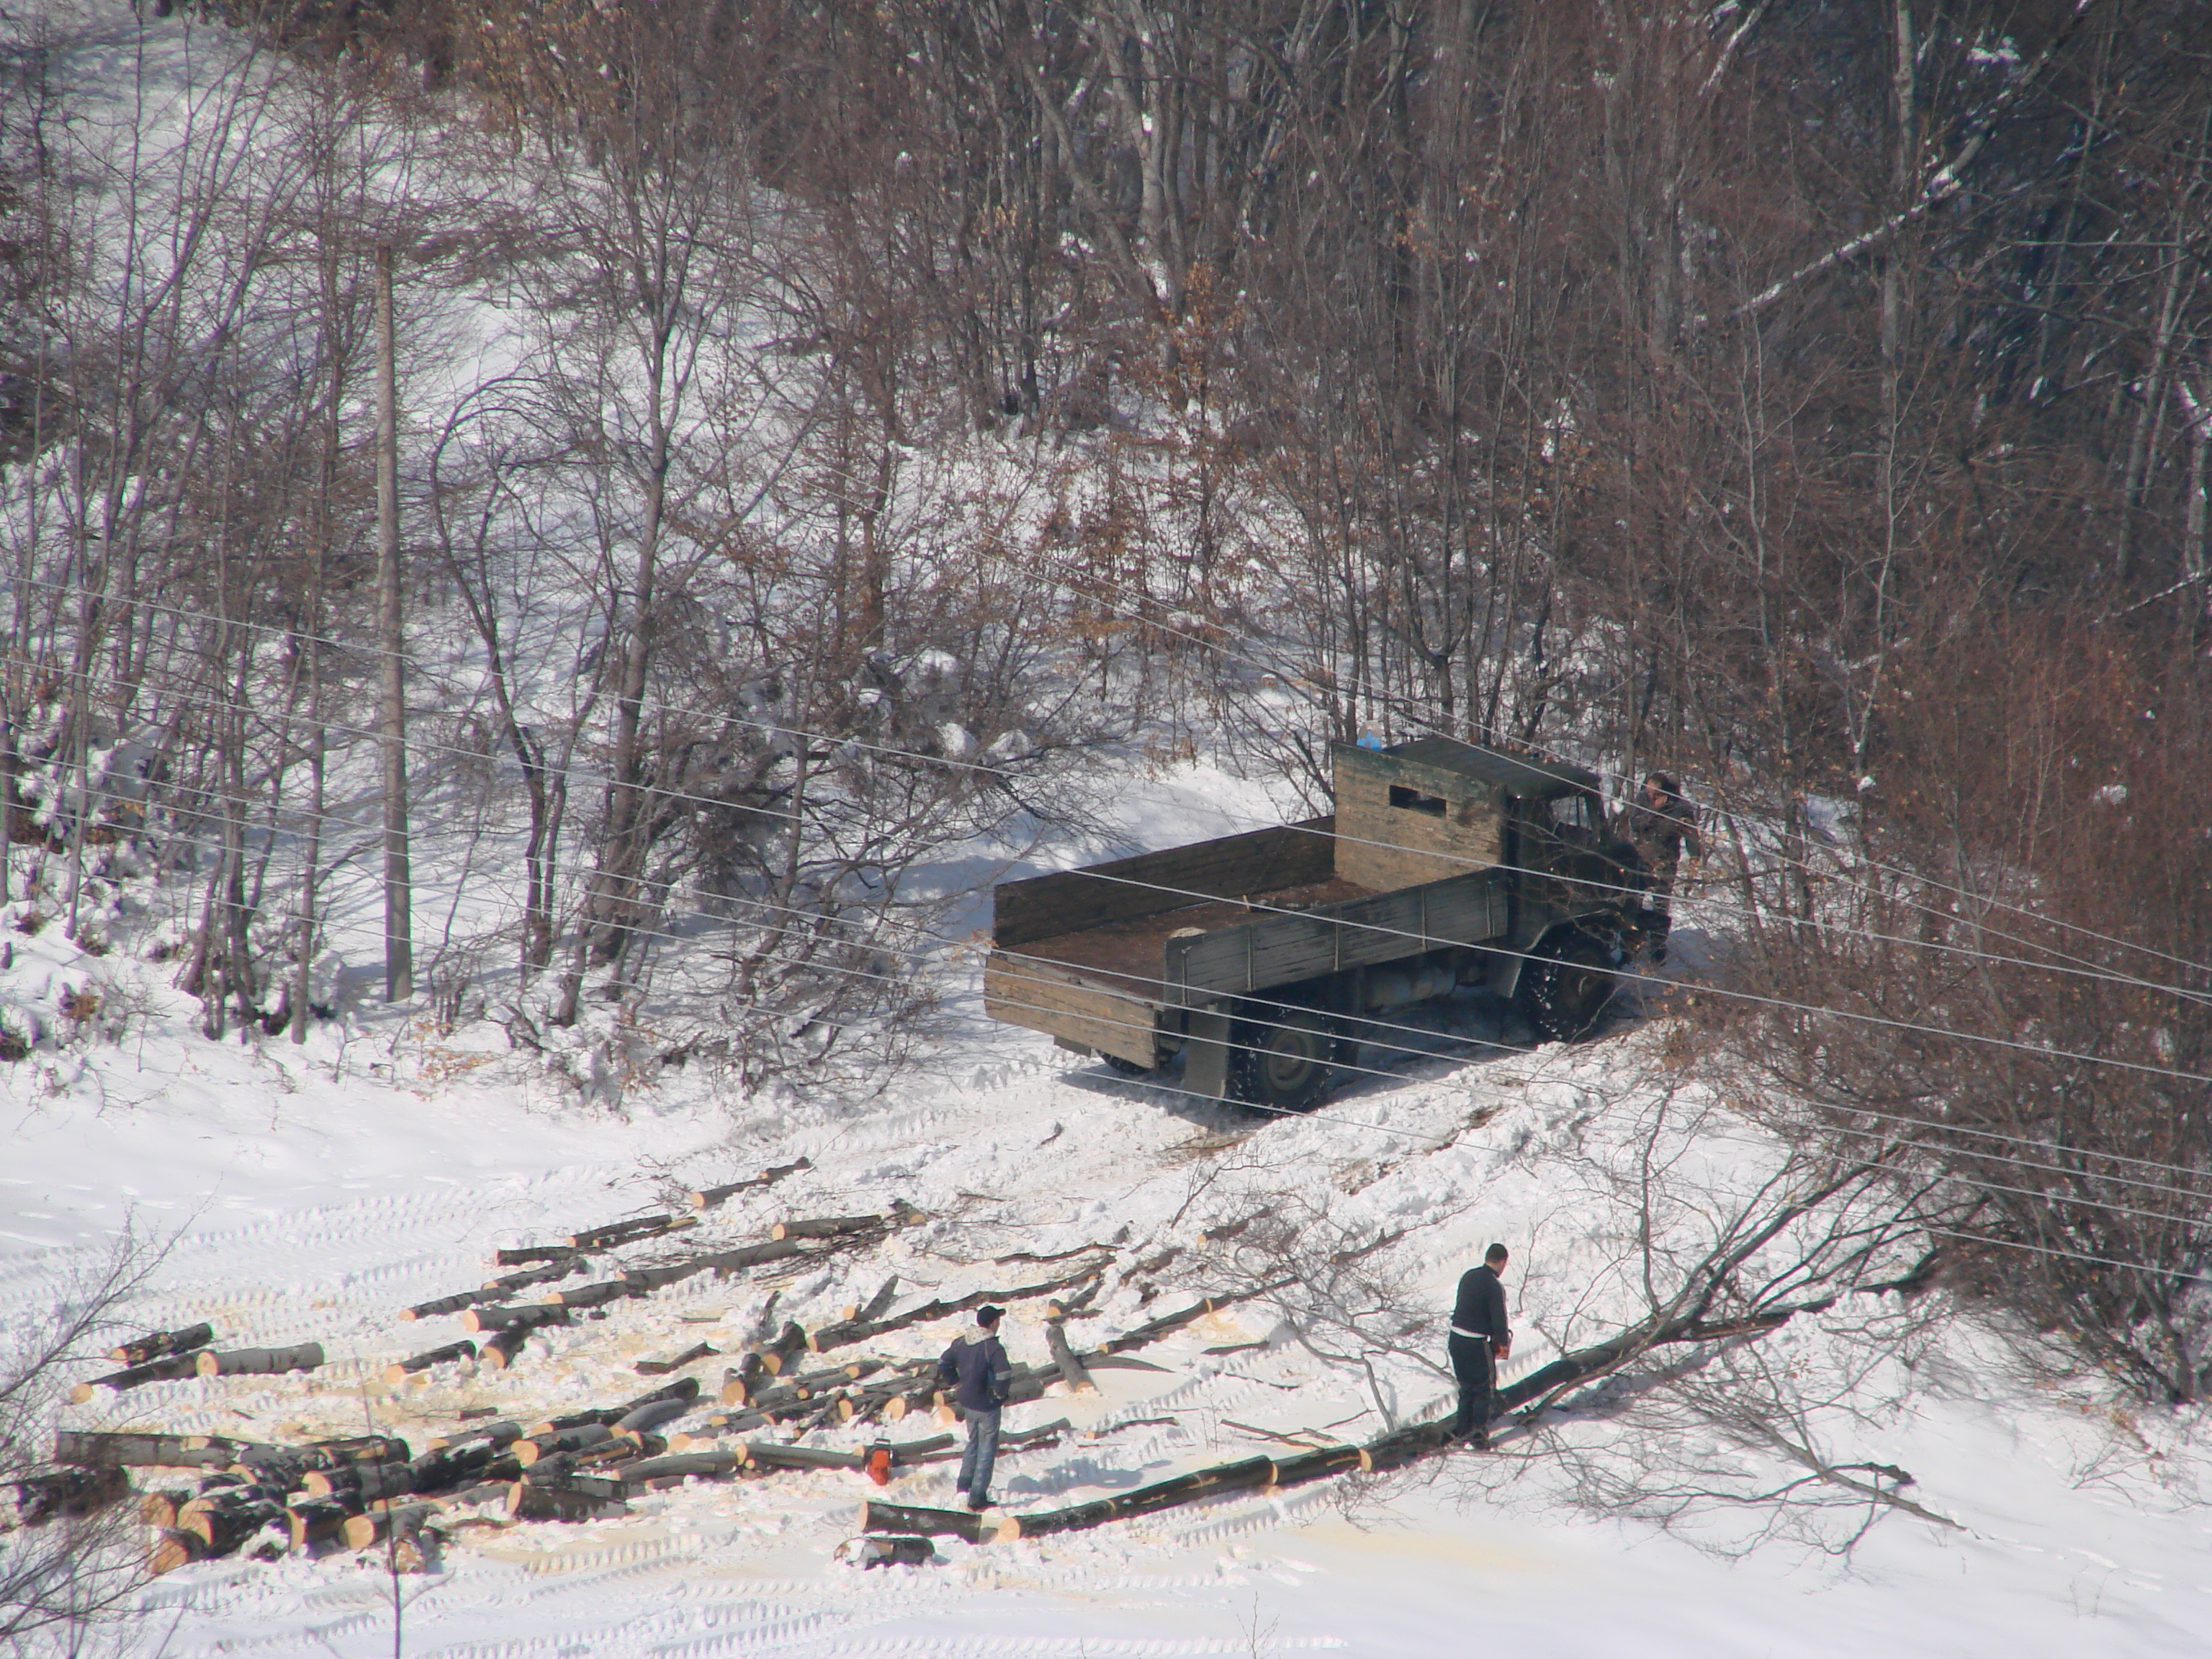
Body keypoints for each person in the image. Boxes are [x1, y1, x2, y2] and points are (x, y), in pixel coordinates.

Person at [938, 1304, 1014, 1510]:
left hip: (967, 1402)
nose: (999, 1323)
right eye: (998, 1320)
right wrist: (999, 1394)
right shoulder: (993, 1347)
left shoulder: (962, 1342)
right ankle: (977, 1496)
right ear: (992, 1323)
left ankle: (964, 1484)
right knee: (987, 1449)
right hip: (987, 1405)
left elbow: (943, 1363)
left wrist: (955, 1383)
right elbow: (1004, 1374)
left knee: (973, 1443)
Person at [1624, 772, 1703, 963]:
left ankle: (1657, 949)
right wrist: (1653, 812)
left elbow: (1691, 836)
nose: (1651, 795)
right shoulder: (1642, 799)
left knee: (1660, 906)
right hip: (1641, 860)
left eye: (1656, 793)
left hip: (1665, 861)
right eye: (1649, 791)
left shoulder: (1680, 807)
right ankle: (1630, 948)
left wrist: (1694, 860)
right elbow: (1635, 824)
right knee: (1633, 904)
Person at [1449, 1243, 1512, 1448]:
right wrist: (1502, 1343)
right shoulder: (1493, 1285)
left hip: (1456, 1339)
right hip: (1475, 1343)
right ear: (1502, 1262)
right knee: (1484, 1389)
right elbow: (1499, 1320)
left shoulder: (1469, 1276)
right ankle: (1478, 1438)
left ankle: (1461, 1433)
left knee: (1467, 1389)